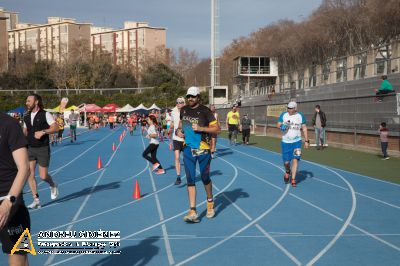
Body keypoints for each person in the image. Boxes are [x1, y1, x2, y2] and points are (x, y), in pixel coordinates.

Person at [176, 86, 221, 223]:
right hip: (188, 149)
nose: (190, 99)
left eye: (193, 96)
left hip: (203, 149)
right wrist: (179, 131)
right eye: (188, 96)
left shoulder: (205, 111)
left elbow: (217, 129)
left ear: (198, 97)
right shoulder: (183, 110)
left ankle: (209, 201)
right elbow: (180, 125)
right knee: (190, 179)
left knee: (205, 177)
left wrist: (201, 128)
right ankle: (193, 210)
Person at [0, 112, 31, 266]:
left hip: (11, 203)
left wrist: (8, 202)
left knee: (19, 259)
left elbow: (24, 168)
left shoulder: (9, 125)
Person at [23, 94, 59, 209]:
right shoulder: (26, 115)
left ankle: (53, 185)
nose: (27, 103)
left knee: (43, 176)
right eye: (26, 101)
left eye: (29, 101)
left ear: (36, 102)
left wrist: (43, 132)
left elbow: (56, 127)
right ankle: (36, 199)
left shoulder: (45, 114)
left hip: (42, 148)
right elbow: (25, 130)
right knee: (30, 174)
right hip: (30, 148)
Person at [277, 101, 309, 187]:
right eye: (288, 108)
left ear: (295, 108)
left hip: (297, 142)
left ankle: (293, 179)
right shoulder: (283, 115)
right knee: (286, 162)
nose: (289, 110)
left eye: (291, 108)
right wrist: (282, 126)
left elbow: (304, 128)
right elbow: (278, 124)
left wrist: (306, 141)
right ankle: (288, 171)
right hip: (286, 142)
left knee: (295, 160)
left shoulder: (300, 116)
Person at [170, 97, 186, 185]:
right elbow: (172, 123)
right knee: (176, 157)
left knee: (187, 159)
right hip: (176, 138)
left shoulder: (188, 111)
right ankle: (178, 177)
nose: (179, 104)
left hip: (185, 139)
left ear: (184, 103)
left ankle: (189, 174)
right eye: (177, 102)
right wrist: (169, 130)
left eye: (181, 102)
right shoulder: (173, 112)